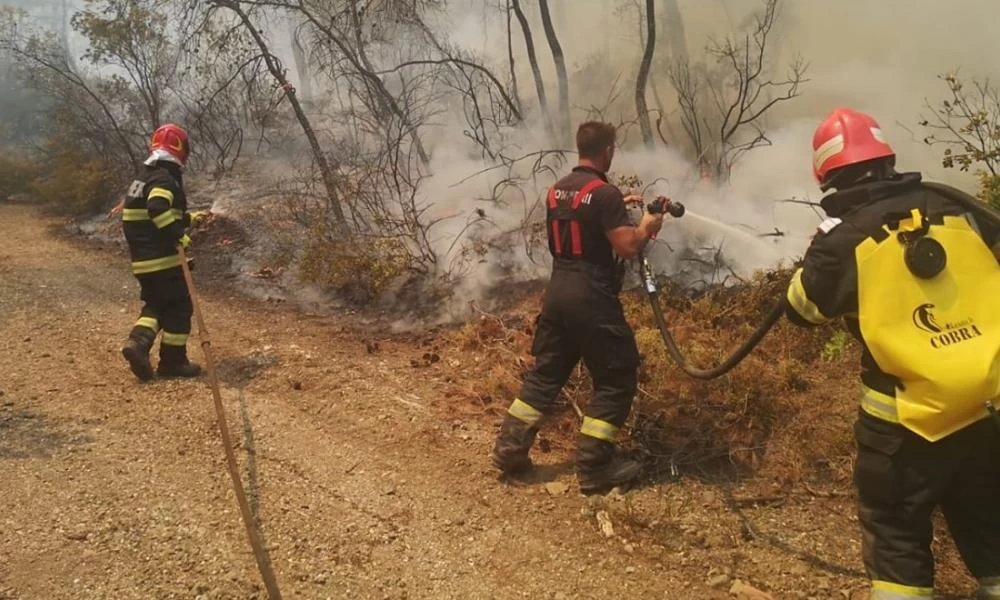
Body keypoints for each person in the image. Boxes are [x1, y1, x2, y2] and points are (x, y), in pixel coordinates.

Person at [785, 107, 1000, 599]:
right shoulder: (955, 208)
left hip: (905, 426)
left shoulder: (843, 238)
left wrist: (815, 257)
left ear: (828, 174)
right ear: (886, 157)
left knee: (897, 534)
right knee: (990, 524)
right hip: (983, 406)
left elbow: (803, 311)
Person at [491, 121, 665, 494]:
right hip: (592, 296)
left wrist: (620, 207)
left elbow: (583, 218)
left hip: (558, 292)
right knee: (617, 377)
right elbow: (627, 247)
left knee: (546, 374)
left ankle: (510, 451)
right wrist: (647, 225)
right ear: (608, 151)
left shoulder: (557, 191)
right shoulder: (604, 194)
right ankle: (594, 467)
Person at [120, 123, 202, 381]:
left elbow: (148, 212)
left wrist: (187, 219)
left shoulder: (144, 177)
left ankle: (138, 345)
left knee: (157, 303)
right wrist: (179, 234)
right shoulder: (165, 179)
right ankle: (173, 362)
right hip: (162, 260)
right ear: (180, 151)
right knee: (179, 306)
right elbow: (157, 208)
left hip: (143, 261)